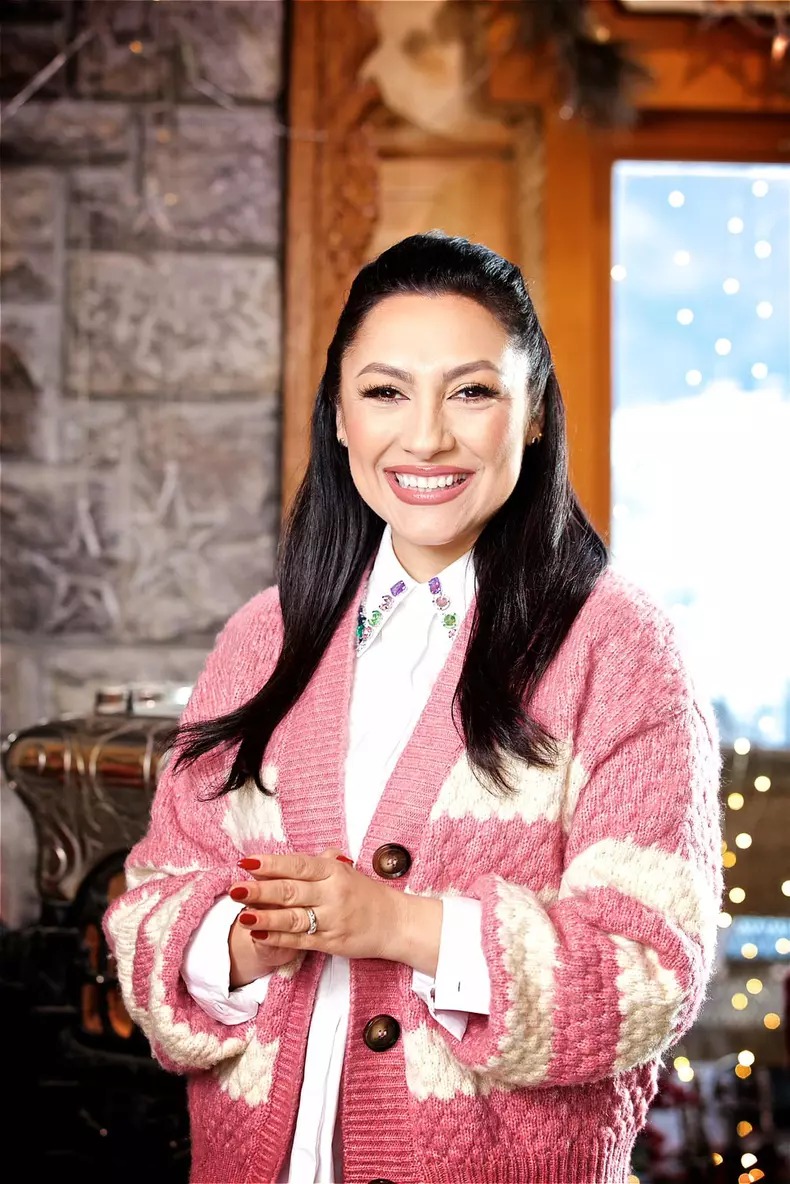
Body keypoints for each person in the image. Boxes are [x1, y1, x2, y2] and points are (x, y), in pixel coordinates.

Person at [104, 231, 724, 1184]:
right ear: (339, 416)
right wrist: (241, 942)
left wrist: (398, 927)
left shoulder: (619, 647)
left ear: (533, 414)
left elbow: (651, 973)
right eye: (386, 391)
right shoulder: (263, 638)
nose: (426, 437)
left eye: (471, 392)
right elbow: (146, 914)